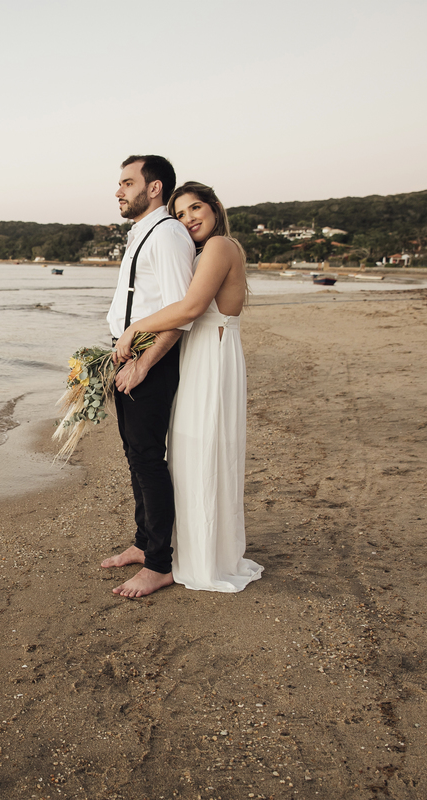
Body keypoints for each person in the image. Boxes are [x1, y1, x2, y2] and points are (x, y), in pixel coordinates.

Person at [114, 182, 263, 593]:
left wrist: (135, 328)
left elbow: (192, 307)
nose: (189, 218)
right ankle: (181, 549)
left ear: (215, 208)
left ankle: (193, 559)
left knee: (201, 453)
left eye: (196, 208)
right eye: (180, 214)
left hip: (211, 360)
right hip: (198, 356)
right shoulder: (201, 252)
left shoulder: (220, 247)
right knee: (187, 457)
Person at [99, 155, 195, 598]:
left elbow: (181, 311)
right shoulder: (144, 233)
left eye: (126, 182)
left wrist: (144, 363)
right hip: (129, 355)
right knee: (135, 455)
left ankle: (159, 564)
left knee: (148, 459)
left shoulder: (169, 235)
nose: (118, 191)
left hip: (149, 360)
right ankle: (144, 543)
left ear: (154, 188)